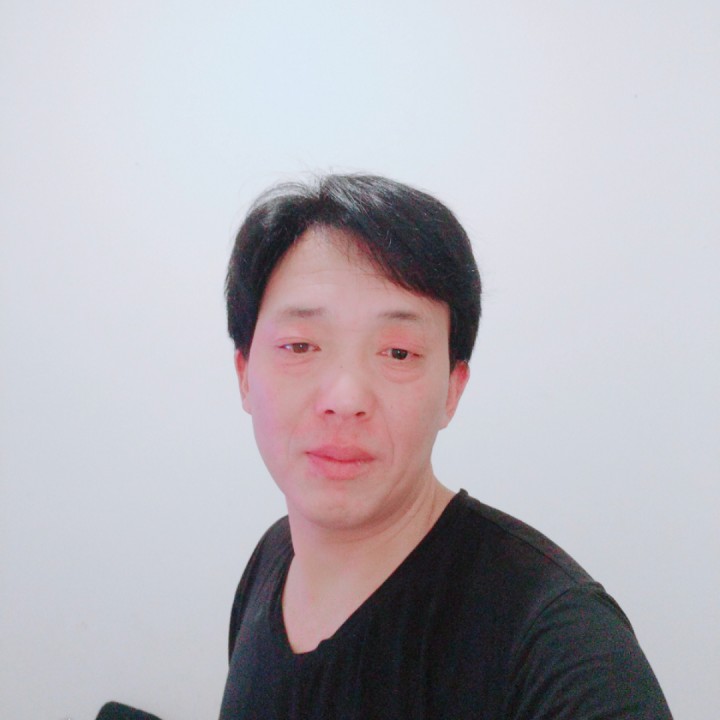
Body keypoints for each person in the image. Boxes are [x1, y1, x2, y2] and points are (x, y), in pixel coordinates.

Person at [219, 174, 672, 719]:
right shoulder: (273, 559)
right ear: (244, 375)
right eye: (300, 345)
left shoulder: (557, 643)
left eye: (398, 353)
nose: (345, 398)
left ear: (453, 391)